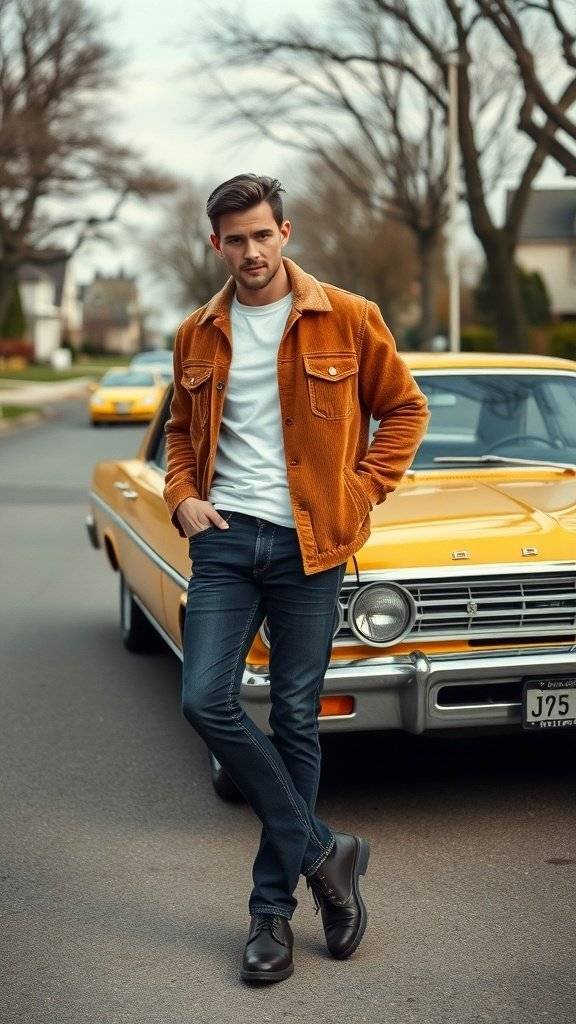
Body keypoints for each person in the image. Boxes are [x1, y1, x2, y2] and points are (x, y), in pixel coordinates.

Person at [163, 173, 429, 984]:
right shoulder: (197, 333)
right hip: (224, 543)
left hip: (312, 546)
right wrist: (181, 497)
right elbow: (180, 429)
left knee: (295, 722)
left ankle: (271, 912)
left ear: (287, 232)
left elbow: (406, 409)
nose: (250, 251)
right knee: (204, 698)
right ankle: (329, 852)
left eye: (262, 235)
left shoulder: (349, 317)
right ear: (216, 244)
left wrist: (362, 488)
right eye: (234, 239)